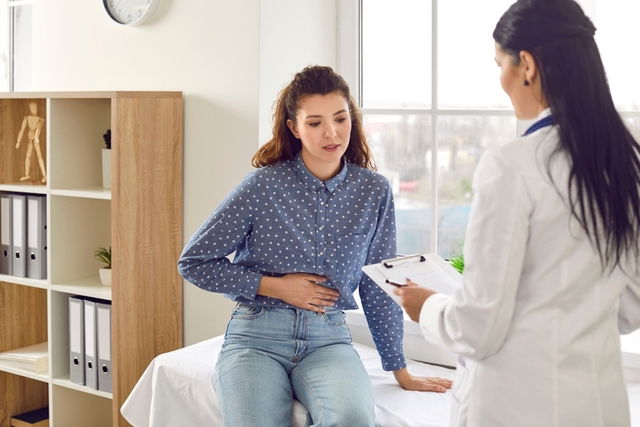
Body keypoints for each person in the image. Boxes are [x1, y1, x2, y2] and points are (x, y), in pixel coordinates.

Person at [395, 0, 640, 425]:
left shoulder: (512, 164)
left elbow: (478, 328)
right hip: (599, 406)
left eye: (500, 65)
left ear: (526, 65)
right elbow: (631, 305)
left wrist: (427, 306)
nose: (502, 81)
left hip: (517, 407)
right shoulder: (628, 159)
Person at [178, 65, 451, 427]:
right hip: (256, 336)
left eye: (340, 118)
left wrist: (398, 368)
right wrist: (274, 286)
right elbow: (194, 261)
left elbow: (376, 283)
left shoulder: (373, 191)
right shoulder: (264, 185)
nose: (331, 133)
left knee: (353, 419)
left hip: (329, 339)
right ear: (294, 127)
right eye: (315, 122)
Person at [15, 101, 47, 183]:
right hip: (30, 138)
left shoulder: (40, 119)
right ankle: (26, 174)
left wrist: (36, 138)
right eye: (32, 108)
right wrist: (18, 141)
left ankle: (44, 174)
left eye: (35, 108)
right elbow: (21, 130)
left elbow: (38, 130)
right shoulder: (27, 118)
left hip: (35, 139)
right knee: (28, 155)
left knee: (39, 156)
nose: (33, 110)